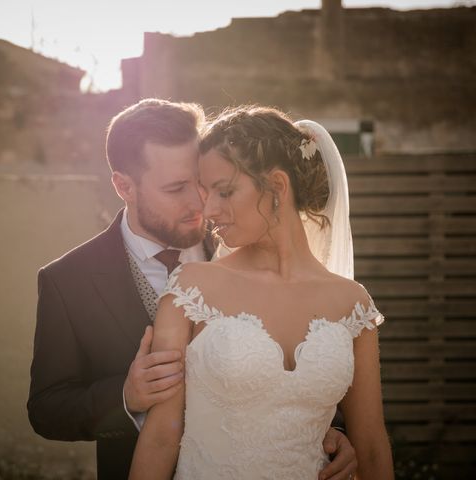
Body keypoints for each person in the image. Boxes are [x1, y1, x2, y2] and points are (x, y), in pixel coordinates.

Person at [28, 99, 357, 480]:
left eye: (201, 182)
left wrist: (332, 435)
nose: (199, 202)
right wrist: (124, 398)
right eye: (176, 188)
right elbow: (46, 410)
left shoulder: (248, 240)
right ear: (124, 186)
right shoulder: (68, 281)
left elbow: (307, 358)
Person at [129, 106, 394, 480]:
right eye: (206, 194)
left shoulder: (353, 304)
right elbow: (161, 438)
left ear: (277, 186)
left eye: (224, 191)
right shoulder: (191, 288)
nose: (208, 210)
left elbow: (370, 445)